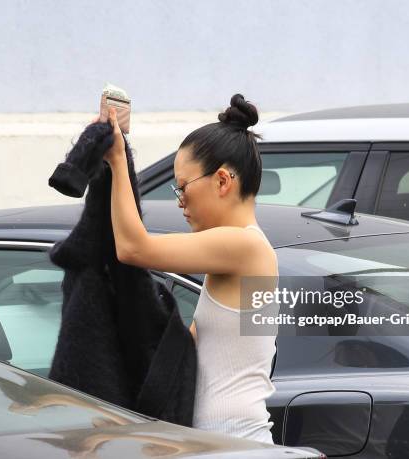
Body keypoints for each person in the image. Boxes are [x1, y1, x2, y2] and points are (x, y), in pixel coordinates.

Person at [102, 93, 279, 444]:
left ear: (223, 181)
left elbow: (133, 246)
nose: (180, 201)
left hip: (236, 447)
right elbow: (185, 359)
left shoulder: (247, 247)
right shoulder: (237, 251)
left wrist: (118, 159)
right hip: (219, 445)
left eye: (183, 188)